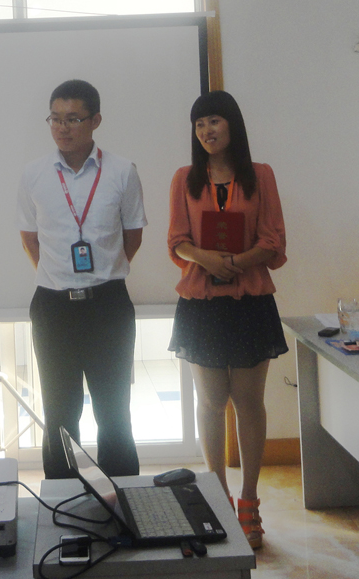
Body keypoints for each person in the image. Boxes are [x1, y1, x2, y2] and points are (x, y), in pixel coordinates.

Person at [167, 90, 288, 549]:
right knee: (211, 400)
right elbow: (177, 239)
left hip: (250, 300)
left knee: (248, 401)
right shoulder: (184, 179)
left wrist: (235, 262)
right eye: (199, 125)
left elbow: (273, 240)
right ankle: (217, 499)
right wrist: (207, 259)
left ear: (232, 124)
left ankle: (249, 501)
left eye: (214, 121)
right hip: (202, 303)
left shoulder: (261, 175)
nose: (206, 131)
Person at [17, 79, 146, 479]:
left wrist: (99, 274)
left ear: (95, 121)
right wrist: (63, 277)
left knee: (114, 411)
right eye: (55, 119)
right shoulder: (34, 174)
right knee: (59, 413)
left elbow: (132, 236)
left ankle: (122, 499)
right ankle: (63, 501)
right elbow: (30, 239)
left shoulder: (122, 171)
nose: (62, 127)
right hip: (53, 308)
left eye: (73, 119)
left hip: (108, 305)